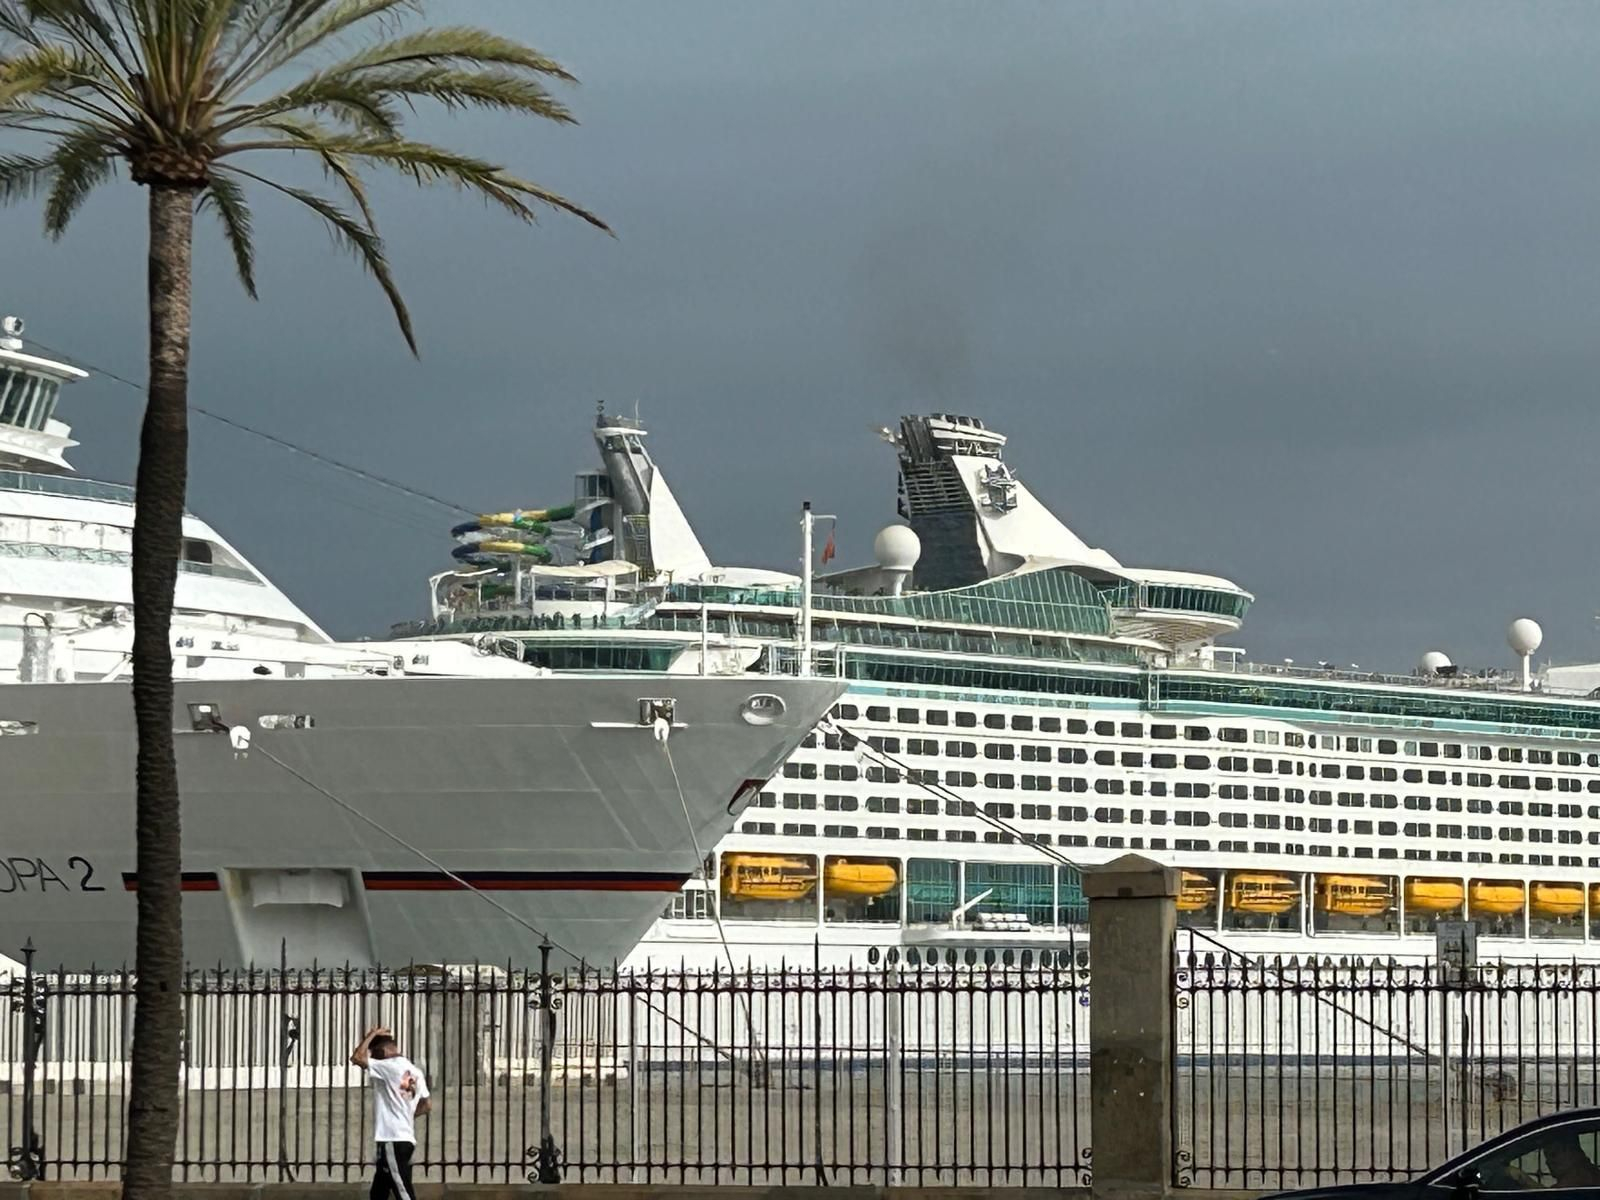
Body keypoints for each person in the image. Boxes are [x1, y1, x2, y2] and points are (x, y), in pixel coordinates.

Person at [351, 1025, 431, 1200]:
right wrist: (406, 1113)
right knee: (379, 1192)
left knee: (403, 1192)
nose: (372, 1057)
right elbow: (426, 1105)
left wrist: (371, 1034)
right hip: (405, 1138)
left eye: (374, 1053)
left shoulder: (388, 1066)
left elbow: (357, 1057)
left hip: (392, 1139)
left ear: (383, 1050)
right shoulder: (415, 1071)